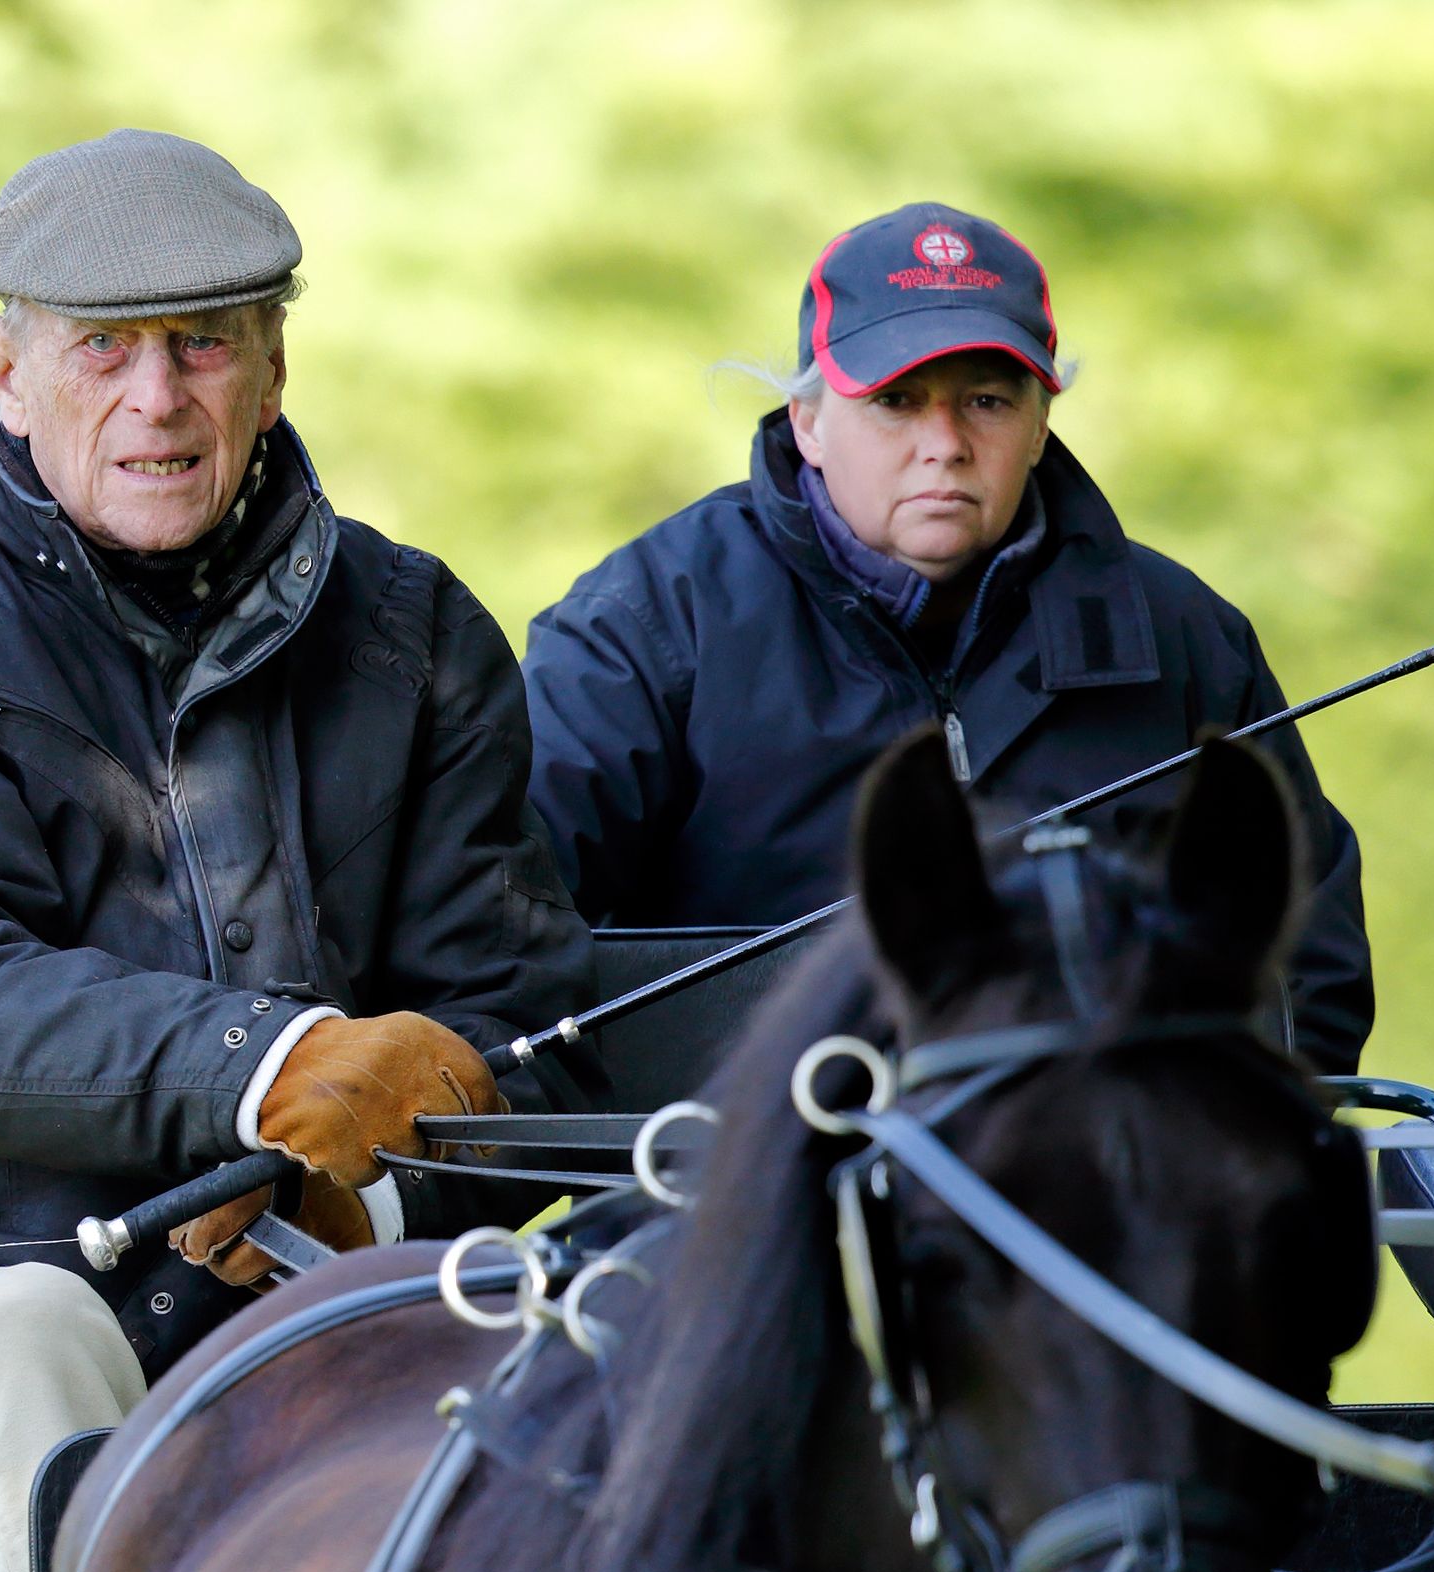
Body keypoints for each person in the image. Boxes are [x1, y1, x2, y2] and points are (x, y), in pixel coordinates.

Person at [0, 128, 596, 1572]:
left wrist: (375, 1208)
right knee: (29, 1346)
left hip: (293, 1275)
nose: (157, 397)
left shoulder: (416, 632)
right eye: (103, 351)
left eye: (204, 343)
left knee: (614, 1352)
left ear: (273, 366)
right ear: (6, 370)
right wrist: (266, 1066)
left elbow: (519, 1035)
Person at [523, 200, 1375, 1073]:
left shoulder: (1185, 635)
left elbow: (1310, 963)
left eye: (986, 401)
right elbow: (504, 947)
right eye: (896, 400)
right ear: (808, 422)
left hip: (1107, 1182)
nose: (946, 444)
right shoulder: (646, 623)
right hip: (738, 1173)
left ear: (1041, 423)